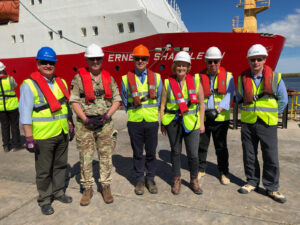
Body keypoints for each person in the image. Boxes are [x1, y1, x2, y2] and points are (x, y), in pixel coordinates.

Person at [19, 47, 74, 215]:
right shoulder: (29, 85)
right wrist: (29, 137)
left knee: (60, 166)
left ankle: (58, 192)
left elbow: (65, 106)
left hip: (62, 132)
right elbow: (25, 112)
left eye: (51, 63)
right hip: (43, 136)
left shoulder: (61, 82)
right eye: (44, 62)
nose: (48, 65)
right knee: (43, 171)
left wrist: (70, 124)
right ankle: (44, 199)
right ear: (38, 64)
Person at [236, 44, 288, 203]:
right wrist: (248, 111)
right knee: (249, 155)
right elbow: (238, 100)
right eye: (253, 59)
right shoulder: (242, 79)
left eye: (259, 59)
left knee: (270, 156)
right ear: (248, 61)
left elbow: (283, 101)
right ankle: (251, 182)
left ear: (265, 60)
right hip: (248, 123)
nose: (256, 62)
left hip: (267, 124)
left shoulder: (275, 77)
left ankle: (272, 188)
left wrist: (271, 114)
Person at [70, 43, 120, 205]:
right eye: (92, 59)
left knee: (105, 156)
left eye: (98, 58)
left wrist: (107, 116)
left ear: (102, 59)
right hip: (85, 124)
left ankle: (106, 186)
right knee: (86, 157)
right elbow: (74, 100)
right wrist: (85, 119)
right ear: (87, 59)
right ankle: (87, 188)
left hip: (104, 123)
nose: (95, 61)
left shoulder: (109, 78)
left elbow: (117, 99)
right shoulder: (78, 79)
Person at [160, 51, 205, 195]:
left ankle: (194, 181)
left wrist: (202, 123)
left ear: (188, 67)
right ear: (175, 66)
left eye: (184, 65)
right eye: (178, 65)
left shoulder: (196, 81)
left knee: (193, 154)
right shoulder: (167, 82)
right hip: (173, 123)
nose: (181, 68)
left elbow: (202, 104)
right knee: (176, 152)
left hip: (192, 123)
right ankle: (177, 180)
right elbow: (162, 105)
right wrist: (162, 123)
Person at [121, 44, 162, 195]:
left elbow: (158, 99)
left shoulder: (157, 78)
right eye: (137, 58)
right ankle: (139, 179)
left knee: (151, 152)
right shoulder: (125, 79)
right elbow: (125, 101)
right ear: (133, 60)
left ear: (147, 60)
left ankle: (150, 178)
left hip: (151, 121)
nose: (140, 61)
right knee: (138, 153)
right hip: (135, 122)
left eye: (143, 58)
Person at [196, 47, 234, 185]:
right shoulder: (198, 77)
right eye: (209, 61)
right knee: (201, 146)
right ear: (205, 62)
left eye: (215, 61)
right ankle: (201, 169)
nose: (212, 64)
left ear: (220, 61)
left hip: (220, 119)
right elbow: (196, 96)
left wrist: (217, 110)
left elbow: (229, 95)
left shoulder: (229, 77)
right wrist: (205, 111)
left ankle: (224, 173)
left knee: (221, 147)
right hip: (204, 118)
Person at [0, 61, 22, 152]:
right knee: (14, 125)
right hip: (12, 106)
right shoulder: (10, 79)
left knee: (4, 126)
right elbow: (15, 85)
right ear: (4, 69)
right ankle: (16, 145)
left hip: (1, 107)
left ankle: (6, 145)